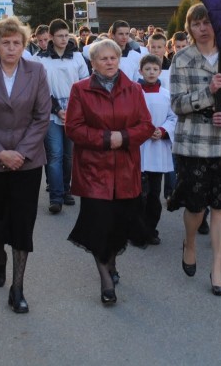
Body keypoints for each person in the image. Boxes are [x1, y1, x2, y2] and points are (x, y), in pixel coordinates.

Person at [0, 16, 51, 314]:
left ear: (24, 45)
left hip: (27, 163)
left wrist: (21, 153)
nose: (12, 48)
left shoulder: (37, 72)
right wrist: (0, 153)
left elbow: (42, 117)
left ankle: (18, 288)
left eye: (17, 43)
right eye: (6, 43)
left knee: (22, 223)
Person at [66, 39, 155, 306]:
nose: (109, 62)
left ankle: (111, 261)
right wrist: (107, 139)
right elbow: (73, 128)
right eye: (103, 59)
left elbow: (145, 125)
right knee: (99, 225)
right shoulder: (80, 89)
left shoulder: (133, 89)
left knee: (118, 224)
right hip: (94, 170)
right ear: (92, 63)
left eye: (113, 58)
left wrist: (123, 137)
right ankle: (105, 278)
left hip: (125, 169)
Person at [167, 3, 221, 296]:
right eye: (196, 24)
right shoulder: (181, 59)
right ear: (189, 28)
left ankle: (217, 268)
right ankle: (189, 242)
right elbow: (177, 104)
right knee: (196, 206)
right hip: (193, 143)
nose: (202, 29)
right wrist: (208, 92)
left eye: (207, 22)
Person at [34, 19, 90, 214]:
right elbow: (39, 89)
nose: (64, 39)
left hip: (74, 112)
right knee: (55, 154)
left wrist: (75, 110)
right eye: (60, 36)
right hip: (51, 112)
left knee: (69, 156)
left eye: (66, 35)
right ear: (51, 37)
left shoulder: (77, 57)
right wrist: (57, 109)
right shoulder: (40, 59)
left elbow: (85, 84)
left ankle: (66, 189)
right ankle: (56, 196)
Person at [138, 54, 177, 246]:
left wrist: (162, 130)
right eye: (147, 69)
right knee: (140, 194)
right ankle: (138, 230)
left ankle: (151, 230)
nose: (151, 73)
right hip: (139, 148)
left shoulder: (166, 95)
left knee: (154, 193)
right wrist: (143, 130)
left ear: (160, 71)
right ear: (140, 71)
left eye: (155, 69)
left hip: (158, 149)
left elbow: (174, 118)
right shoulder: (135, 93)